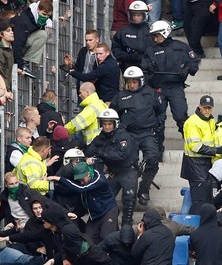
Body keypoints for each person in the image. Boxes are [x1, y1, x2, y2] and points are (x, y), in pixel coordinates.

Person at [143, 20, 199, 160]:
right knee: (158, 121)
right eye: (153, 36)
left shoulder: (181, 47)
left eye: (157, 35)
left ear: (164, 33)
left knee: (181, 116)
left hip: (176, 87)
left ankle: (190, 145)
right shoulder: (150, 50)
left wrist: (187, 69)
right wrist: (149, 71)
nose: (155, 39)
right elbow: (144, 70)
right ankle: (158, 150)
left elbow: (194, 62)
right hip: (158, 88)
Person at [85, 108, 138, 240]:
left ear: (115, 124)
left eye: (110, 124)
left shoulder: (123, 136)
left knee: (129, 197)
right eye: (104, 124)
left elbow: (122, 155)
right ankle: (109, 224)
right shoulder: (100, 137)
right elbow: (90, 150)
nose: (107, 127)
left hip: (128, 171)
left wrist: (102, 154)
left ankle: (127, 224)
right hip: (114, 173)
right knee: (104, 197)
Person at [110, 66, 160, 204]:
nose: (131, 85)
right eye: (129, 82)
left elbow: (160, 110)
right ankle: (127, 192)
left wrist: (158, 126)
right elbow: (113, 115)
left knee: (152, 158)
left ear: (140, 81)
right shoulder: (120, 96)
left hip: (147, 132)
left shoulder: (150, 93)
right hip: (128, 134)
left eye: (134, 82)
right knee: (128, 164)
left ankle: (144, 189)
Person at [48, 161, 119, 244]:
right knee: (88, 239)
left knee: (106, 236)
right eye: (79, 180)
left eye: (82, 180)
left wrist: (59, 179)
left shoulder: (99, 179)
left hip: (108, 210)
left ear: (88, 174)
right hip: (95, 214)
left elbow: (81, 188)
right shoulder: (85, 176)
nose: (81, 182)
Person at [181, 95, 222, 214]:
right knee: (199, 201)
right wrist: (216, 150)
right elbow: (195, 146)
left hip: (205, 164)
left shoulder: (211, 121)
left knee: (206, 199)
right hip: (195, 165)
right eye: (205, 108)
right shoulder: (192, 122)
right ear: (200, 107)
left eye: (209, 108)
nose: (207, 110)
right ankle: (195, 226)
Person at [11, 0, 53, 79]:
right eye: (44, 14)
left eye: (48, 15)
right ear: (37, 9)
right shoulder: (23, 20)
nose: (45, 17)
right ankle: (23, 63)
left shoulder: (39, 21)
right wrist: (20, 65)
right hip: (14, 45)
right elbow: (17, 44)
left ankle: (27, 61)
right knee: (42, 35)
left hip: (23, 44)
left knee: (43, 34)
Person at [111, 1, 155, 72]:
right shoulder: (123, 31)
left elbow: (157, 48)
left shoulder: (151, 31)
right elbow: (116, 47)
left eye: (138, 15)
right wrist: (126, 56)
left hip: (148, 67)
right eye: (134, 15)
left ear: (144, 15)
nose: (135, 18)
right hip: (128, 66)